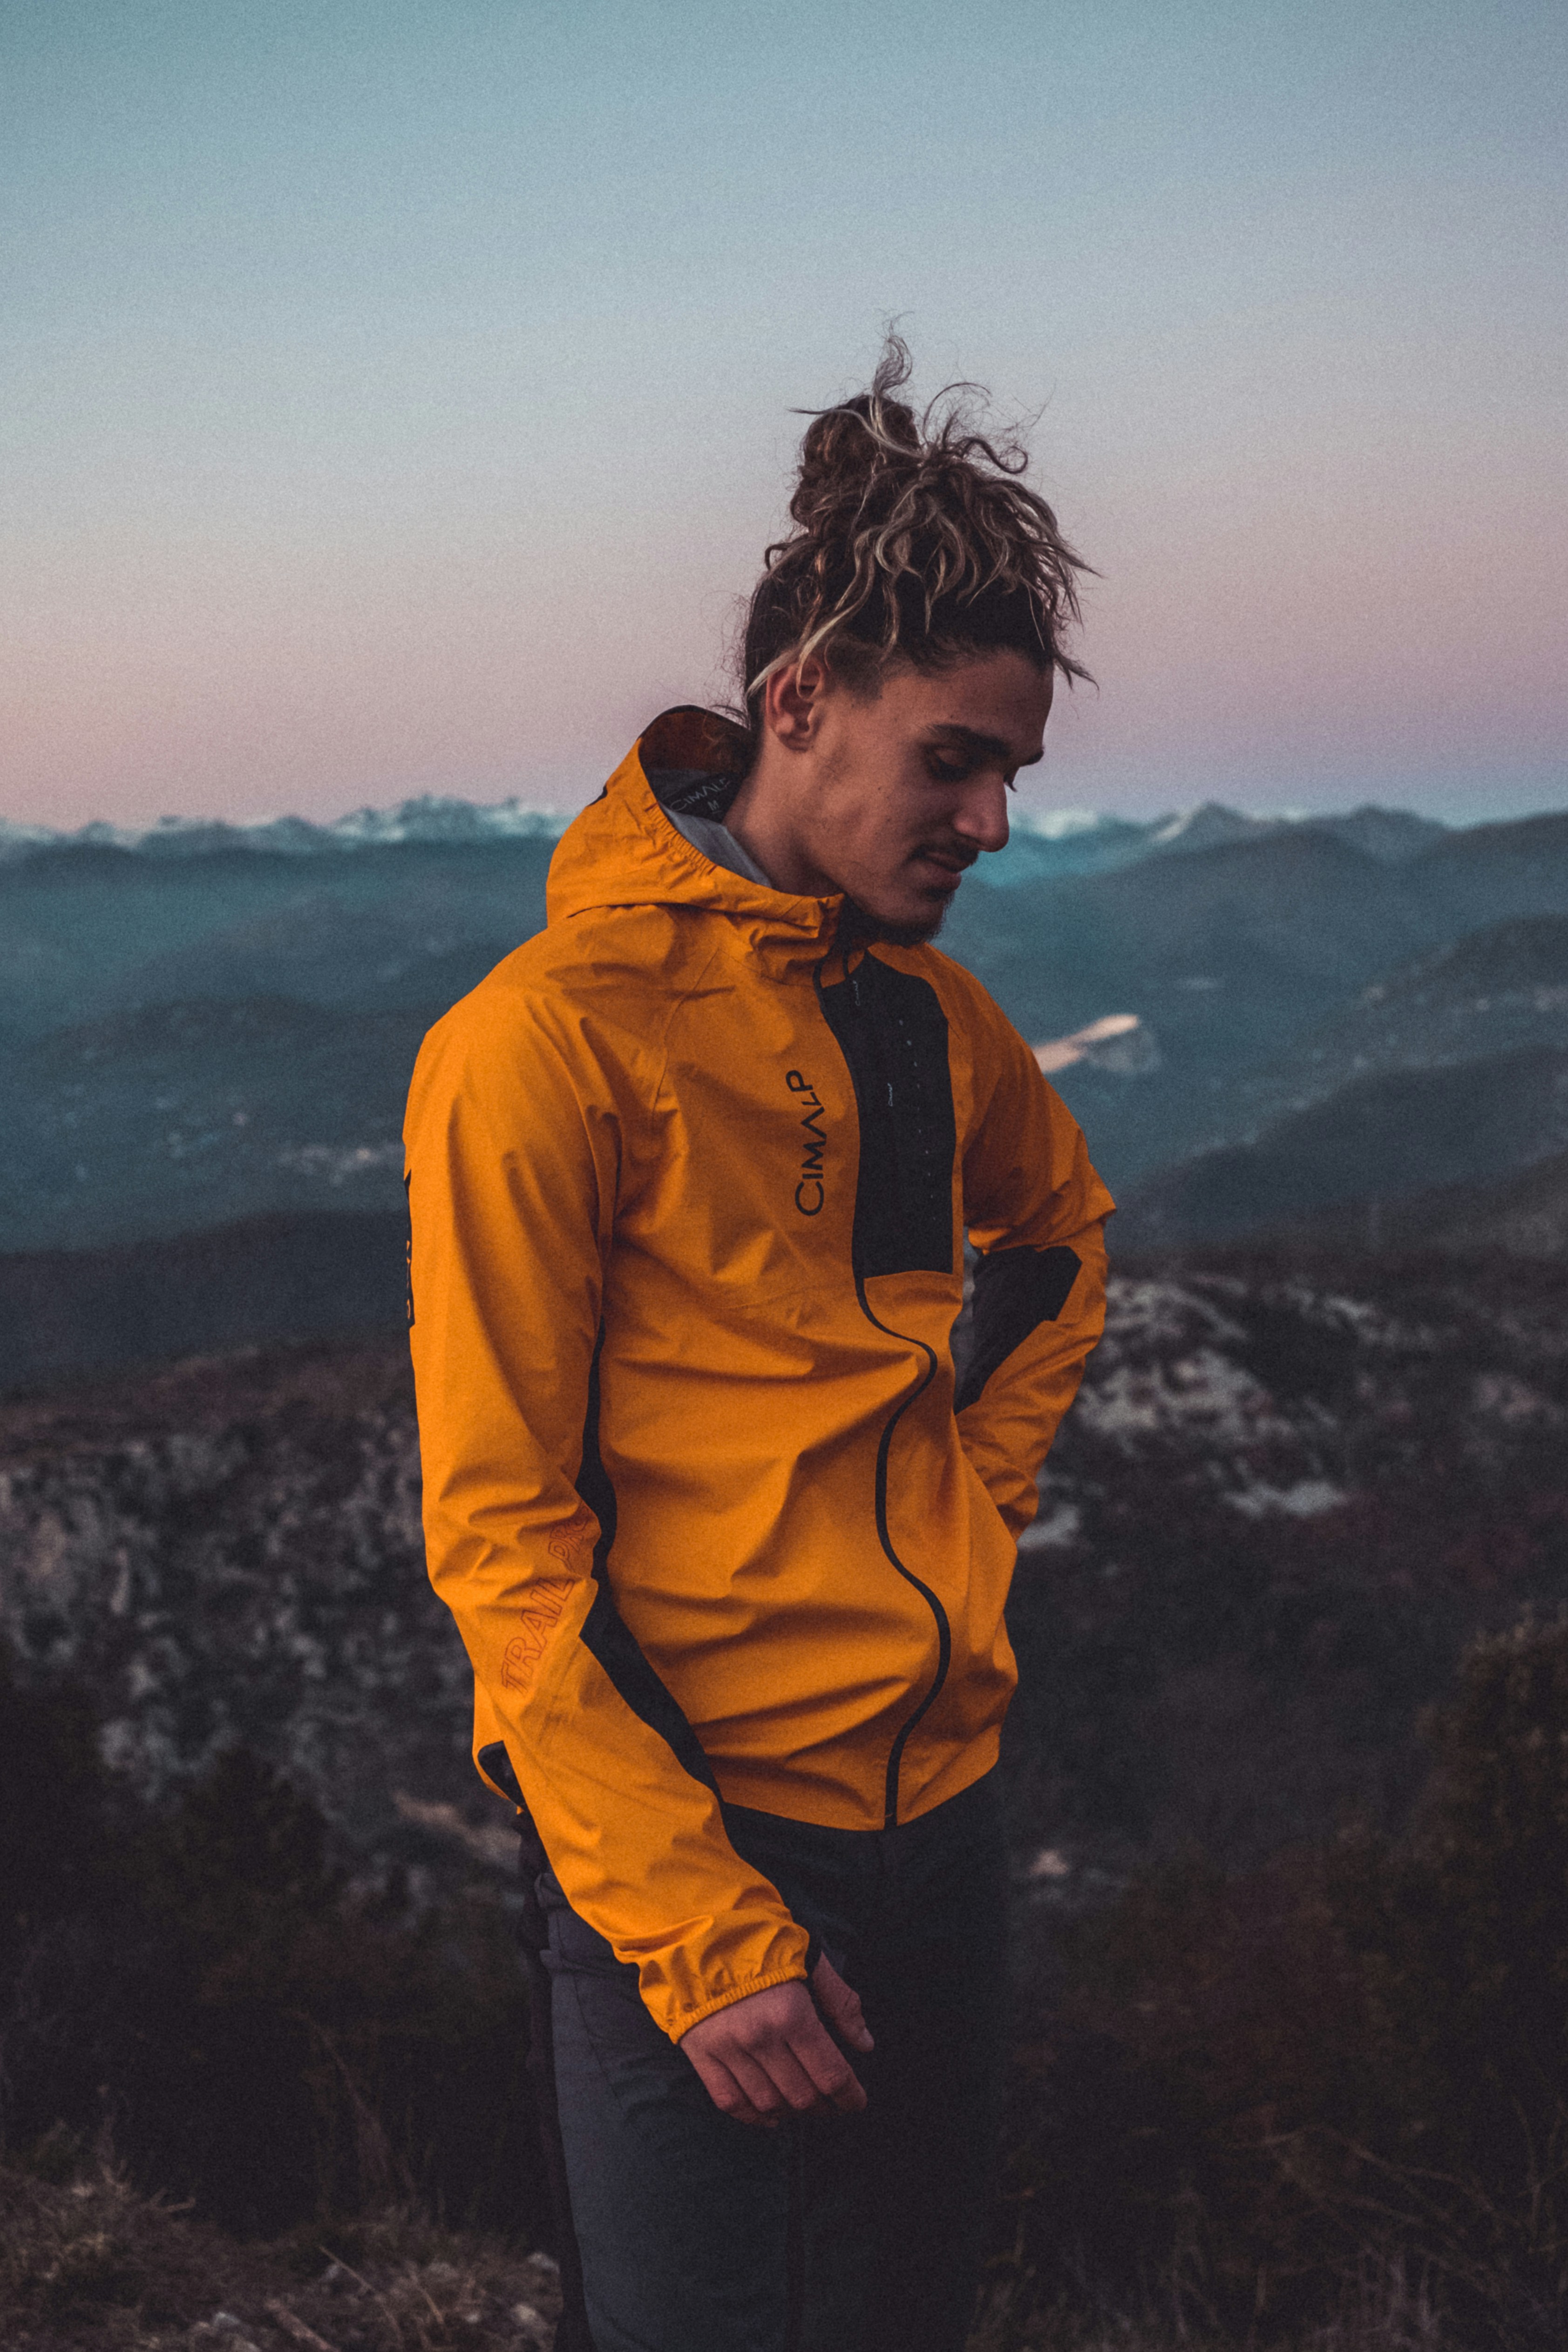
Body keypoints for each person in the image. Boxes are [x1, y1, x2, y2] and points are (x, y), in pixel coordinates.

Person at [403, 339, 1114, 2352]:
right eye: (950, 762)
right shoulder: (541, 1048)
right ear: (797, 702)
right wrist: (707, 1944)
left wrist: (971, 1501)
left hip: (940, 1826)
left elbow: (1056, 1239)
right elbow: (503, 1547)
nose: (987, 820)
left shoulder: (920, 1018)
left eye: (1009, 775)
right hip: (702, 1859)